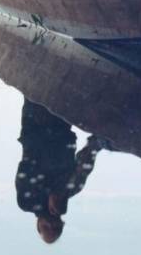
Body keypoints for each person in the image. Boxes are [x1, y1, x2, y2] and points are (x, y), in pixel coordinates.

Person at [14, 99, 106, 243]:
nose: (51, 224)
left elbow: (25, 170)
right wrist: (103, 139)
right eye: (55, 228)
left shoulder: (27, 202)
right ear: (61, 224)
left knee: (38, 84)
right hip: (61, 125)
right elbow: (87, 159)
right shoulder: (71, 188)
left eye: (46, 227)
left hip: (35, 124)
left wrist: (53, 192)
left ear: (38, 225)